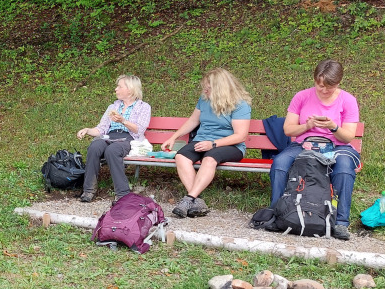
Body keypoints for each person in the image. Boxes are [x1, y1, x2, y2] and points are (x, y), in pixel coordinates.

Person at [269, 59, 360, 240]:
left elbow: (348, 137)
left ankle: (341, 222)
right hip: (305, 143)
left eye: (330, 87)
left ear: (338, 83)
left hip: (337, 146)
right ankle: (276, 213)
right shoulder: (301, 96)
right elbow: (288, 130)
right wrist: (307, 126)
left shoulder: (348, 100)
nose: (324, 90)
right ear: (314, 80)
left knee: (343, 168)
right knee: (280, 163)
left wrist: (333, 127)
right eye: (320, 86)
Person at [161, 68, 252, 218]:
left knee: (209, 159)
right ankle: (197, 202)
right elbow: (193, 121)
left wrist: (213, 144)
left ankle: (188, 199)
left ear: (219, 88)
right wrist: (174, 137)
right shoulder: (204, 100)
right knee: (181, 157)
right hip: (203, 141)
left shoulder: (240, 105)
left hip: (230, 145)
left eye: (208, 88)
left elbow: (240, 136)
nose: (205, 91)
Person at [76, 75, 151, 202]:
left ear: (130, 89)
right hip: (110, 136)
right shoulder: (113, 107)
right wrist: (88, 130)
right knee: (94, 147)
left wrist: (123, 121)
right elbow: (101, 128)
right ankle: (88, 190)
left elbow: (139, 130)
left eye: (119, 87)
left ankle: (122, 194)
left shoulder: (143, 107)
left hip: (128, 138)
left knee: (112, 150)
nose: (116, 89)